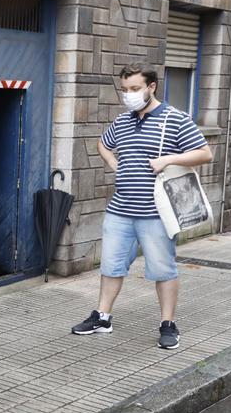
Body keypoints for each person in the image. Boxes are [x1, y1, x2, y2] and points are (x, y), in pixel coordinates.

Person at [72, 63, 212, 349]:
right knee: (111, 267)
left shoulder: (175, 119)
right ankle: (102, 317)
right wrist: (113, 162)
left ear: (152, 87)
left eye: (135, 89)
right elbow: (103, 143)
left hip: (156, 214)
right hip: (120, 210)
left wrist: (168, 160)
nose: (129, 95)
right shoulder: (123, 121)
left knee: (163, 270)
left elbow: (204, 153)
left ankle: (168, 324)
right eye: (125, 90)